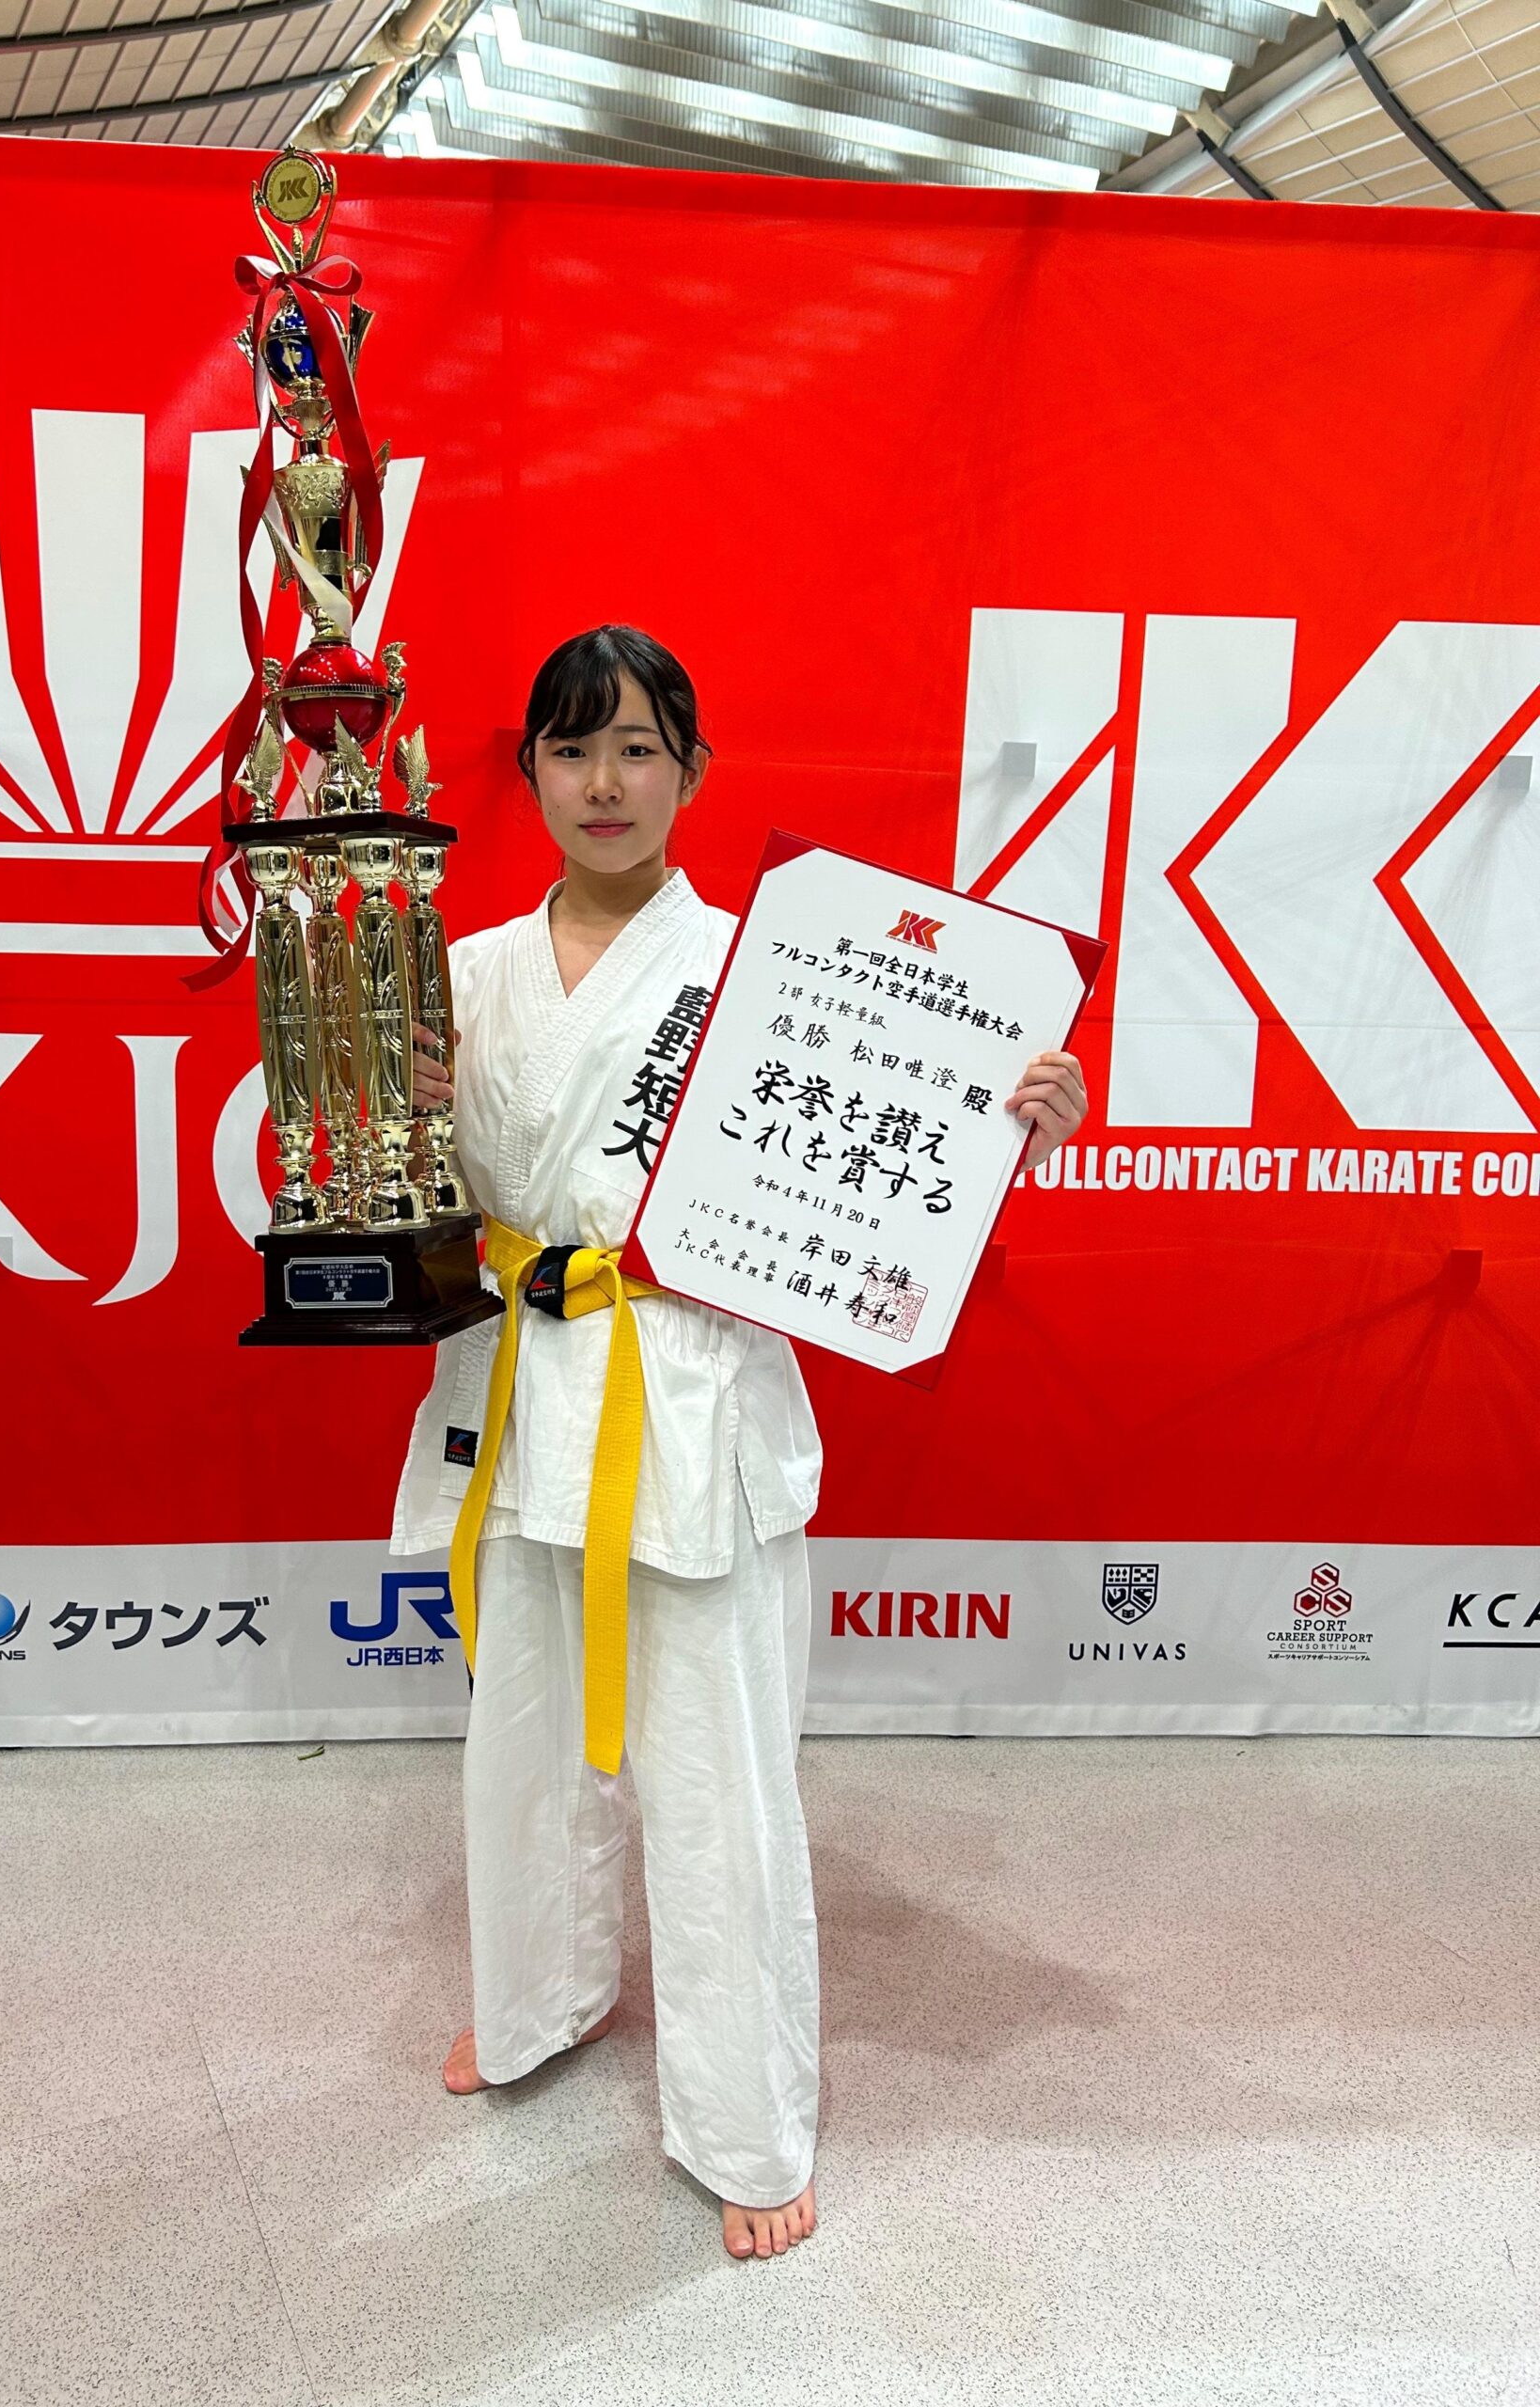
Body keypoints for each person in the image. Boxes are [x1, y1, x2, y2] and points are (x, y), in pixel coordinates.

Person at [390, 624, 1089, 2260]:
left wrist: (1011, 1117)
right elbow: (414, 1191)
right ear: (529, 774)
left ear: (693, 774)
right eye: (573, 748)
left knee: (717, 1778)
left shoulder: (773, 969)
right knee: (525, 1740)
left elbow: (884, 1163)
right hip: (518, 1380)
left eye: (638, 748)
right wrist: (389, 1103)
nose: (605, 782)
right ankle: (539, 2001)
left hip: (688, 1387)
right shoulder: (465, 971)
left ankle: (745, 2119)